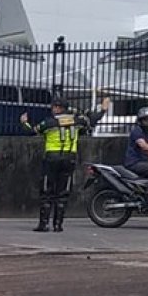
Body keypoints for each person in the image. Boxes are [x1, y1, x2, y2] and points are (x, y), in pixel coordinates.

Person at [20, 96, 109, 232]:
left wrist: (24, 122)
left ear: (57, 108)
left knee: (47, 191)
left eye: (54, 107)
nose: (52, 109)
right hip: (69, 158)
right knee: (63, 192)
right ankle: (58, 225)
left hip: (51, 159)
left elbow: (31, 131)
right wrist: (103, 110)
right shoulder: (78, 121)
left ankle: (44, 224)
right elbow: (92, 120)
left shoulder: (49, 122)